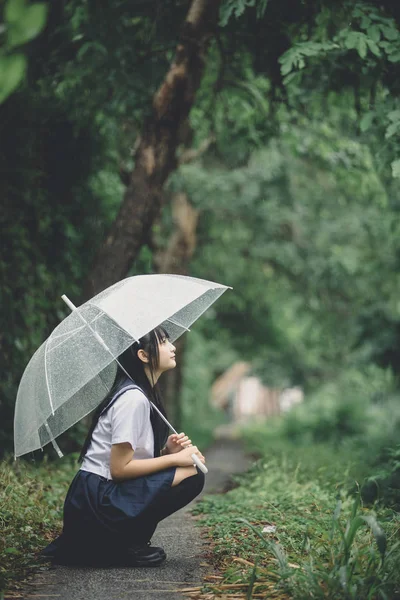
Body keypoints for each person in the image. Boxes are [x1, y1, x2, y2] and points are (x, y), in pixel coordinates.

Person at [40, 326, 206, 567]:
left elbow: (128, 461)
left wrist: (166, 452)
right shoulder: (133, 399)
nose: (173, 347)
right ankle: (116, 545)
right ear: (143, 355)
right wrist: (174, 460)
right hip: (96, 502)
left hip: (101, 495)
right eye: (164, 343)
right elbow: (119, 469)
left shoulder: (141, 395)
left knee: (192, 472)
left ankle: (121, 543)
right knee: (192, 474)